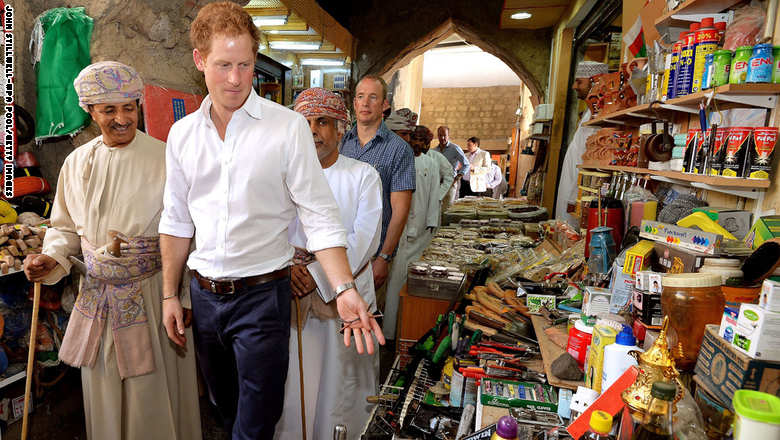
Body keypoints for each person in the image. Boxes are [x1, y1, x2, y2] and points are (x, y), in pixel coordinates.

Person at [158, 4, 384, 439]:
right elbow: (176, 220)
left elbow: (319, 215)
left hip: (263, 298)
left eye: (244, 65)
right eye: (223, 65)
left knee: (256, 422)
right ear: (199, 60)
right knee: (225, 408)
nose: (235, 79)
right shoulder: (183, 135)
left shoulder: (287, 128)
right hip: (205, 298)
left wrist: (344, 289)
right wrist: (171, 294)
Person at [22, 61, 202, 440]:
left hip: (153, 296)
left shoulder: (167, 158)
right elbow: (65, 227)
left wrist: (182, 295)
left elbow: (189, 233)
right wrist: (50, 257)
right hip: (98, 298)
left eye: (129, 108)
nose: (121, 119)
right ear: (89, 112)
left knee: (152, 395)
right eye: (109, 110)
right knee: (103, 390)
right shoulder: (75, 163)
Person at [275, 87, 382, 440]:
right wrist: (289, 268)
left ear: (341, 129)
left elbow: (363, 240)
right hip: (291, 290)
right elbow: (270, 228)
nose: (313, 130)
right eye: (305, 122)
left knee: (341, 386)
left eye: (322, 122)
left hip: (343, 295)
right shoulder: (281, 174)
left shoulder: (363, 175)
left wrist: (318, 274)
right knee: (295, 383)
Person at [340, 75, 415, 311]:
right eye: (360, 97)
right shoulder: (342, 143)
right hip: (340, 250)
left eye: (373, 97)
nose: (365, 103)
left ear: (384, 105)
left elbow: (400, 209)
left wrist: (384, 257)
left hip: (372, 257)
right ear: (353, 103)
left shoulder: (398, 149)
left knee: (366, 321)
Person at [383, 125, 440, 339]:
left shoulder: (431, 163)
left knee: (417, 281)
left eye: (420, 140)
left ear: (426, 144)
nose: (416, 143)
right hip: (402, 228)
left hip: (423, 231)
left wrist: (432, 224)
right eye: (412, 138)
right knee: (396, 281)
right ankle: (389, 332)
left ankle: (412, 329)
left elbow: (434, 194)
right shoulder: (400, 161)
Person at [555, 61, 608, 228]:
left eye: (579, 82)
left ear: (595, 81)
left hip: (577, 192)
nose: (574, 86)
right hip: (571, 187)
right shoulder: (589, 112)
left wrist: (573, 198)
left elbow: (587, 162)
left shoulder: (600, 114)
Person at [434, 126, 469, 209]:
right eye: (440, 135)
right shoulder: (434, 150)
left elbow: (466, 164)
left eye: (444, 135)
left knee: (446, 208)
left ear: (448, 136)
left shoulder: (455, 148)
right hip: (436, 184)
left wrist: (457, 178)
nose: (442, 138)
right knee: (435, 209)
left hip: (449, 183)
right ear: (437, 136)